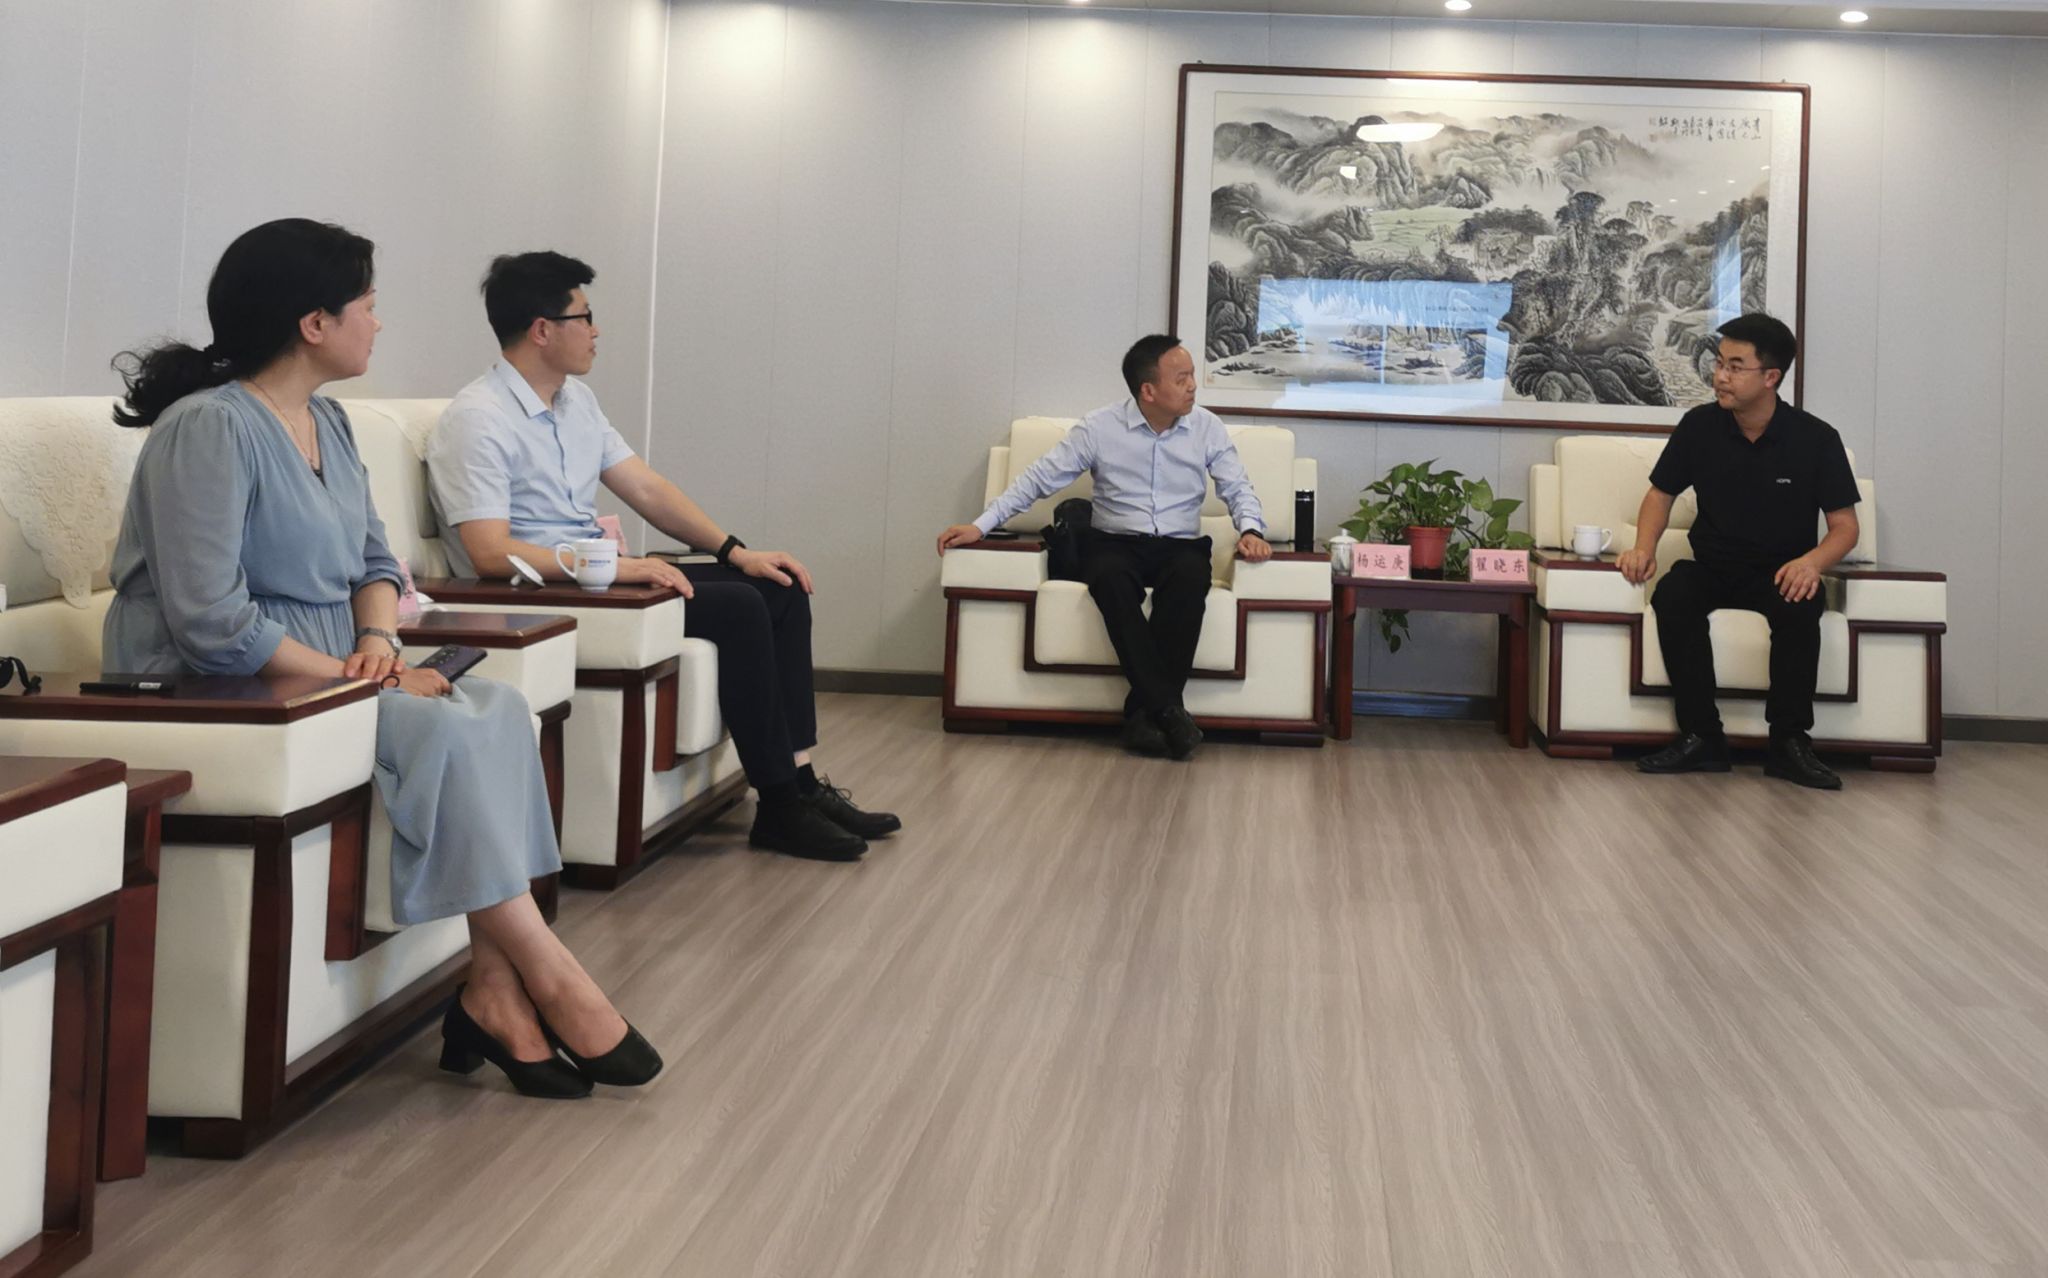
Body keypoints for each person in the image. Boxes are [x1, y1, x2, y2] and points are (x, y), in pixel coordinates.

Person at [107, 219, 659, 1100]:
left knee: (496, 709)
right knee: (438, 726)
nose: (379, 321)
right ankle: (548, 972)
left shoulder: (327, 420)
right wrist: (363, 676)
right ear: (313, 323)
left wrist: (376, 645)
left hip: (336, 670)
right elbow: (210, 622)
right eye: (366, 304)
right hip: (226, 685)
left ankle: (492, 987)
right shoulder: (207, 429)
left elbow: (375, 565)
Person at [427, 251, 899, 863]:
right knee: (737, 608)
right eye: (584, 317)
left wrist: (736, 551)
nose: (596, 330)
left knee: (775, 585)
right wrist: (619, 569)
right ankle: (779, 806)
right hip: (535, 594)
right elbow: (490, 554)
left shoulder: (576, 402)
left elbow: (646, 489)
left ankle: (802, 783)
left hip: (596, 579)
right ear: (542, 329)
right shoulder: (478, 418)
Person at [936, 335, 1271, 760]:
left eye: (1191, 377)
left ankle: (1145, 716)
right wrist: (980, 524)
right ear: (1148, 390)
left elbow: (1237, 486)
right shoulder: (1098, 428)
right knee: (1110, 578)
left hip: (1180, 545)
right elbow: (1038, 479)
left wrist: (1251, 529)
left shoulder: (1207, 427)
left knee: (1190, 582)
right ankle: (1169, 710)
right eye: (1182, 378)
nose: (1193, 386)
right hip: (1114, 542)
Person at [1618, 313, 1861, 790]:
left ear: (1771, 377)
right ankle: (1701, 737)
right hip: (1713, 566)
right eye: (1719, 363)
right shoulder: (1699, 426)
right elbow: (1660, 495)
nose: (1719, 376)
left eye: (1734, 366)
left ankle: (1789, 743)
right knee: (1674, 594)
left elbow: (1844, 526)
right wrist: (1643, 548)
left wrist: (1811, 563)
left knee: (1801, 604)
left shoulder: (1816, 439)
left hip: (1781, 571)